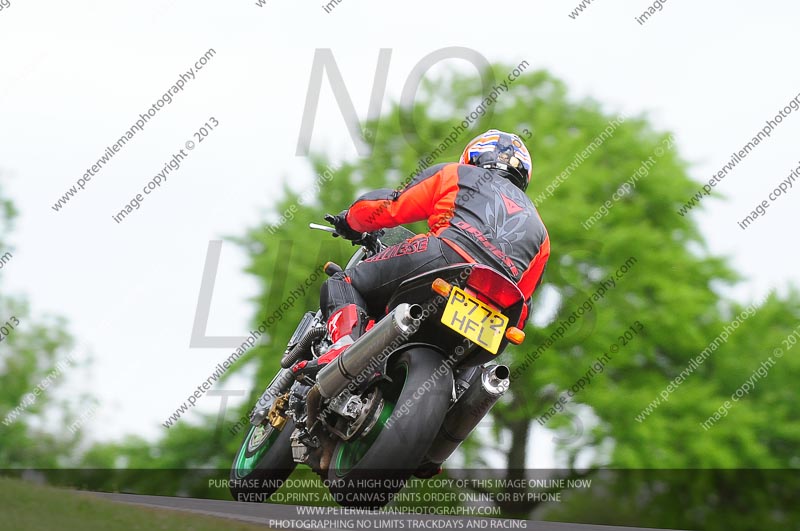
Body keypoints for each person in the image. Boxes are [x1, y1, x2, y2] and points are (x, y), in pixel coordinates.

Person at [292, 129, 550, 379]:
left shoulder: (458, 174)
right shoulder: (541, 232)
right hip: (498, 310)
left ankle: (341, 348)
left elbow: (391, 206)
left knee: (344, 282)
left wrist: (349, 221)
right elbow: (523, 307)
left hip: (443, 257)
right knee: (471, 372)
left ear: (473, 157)